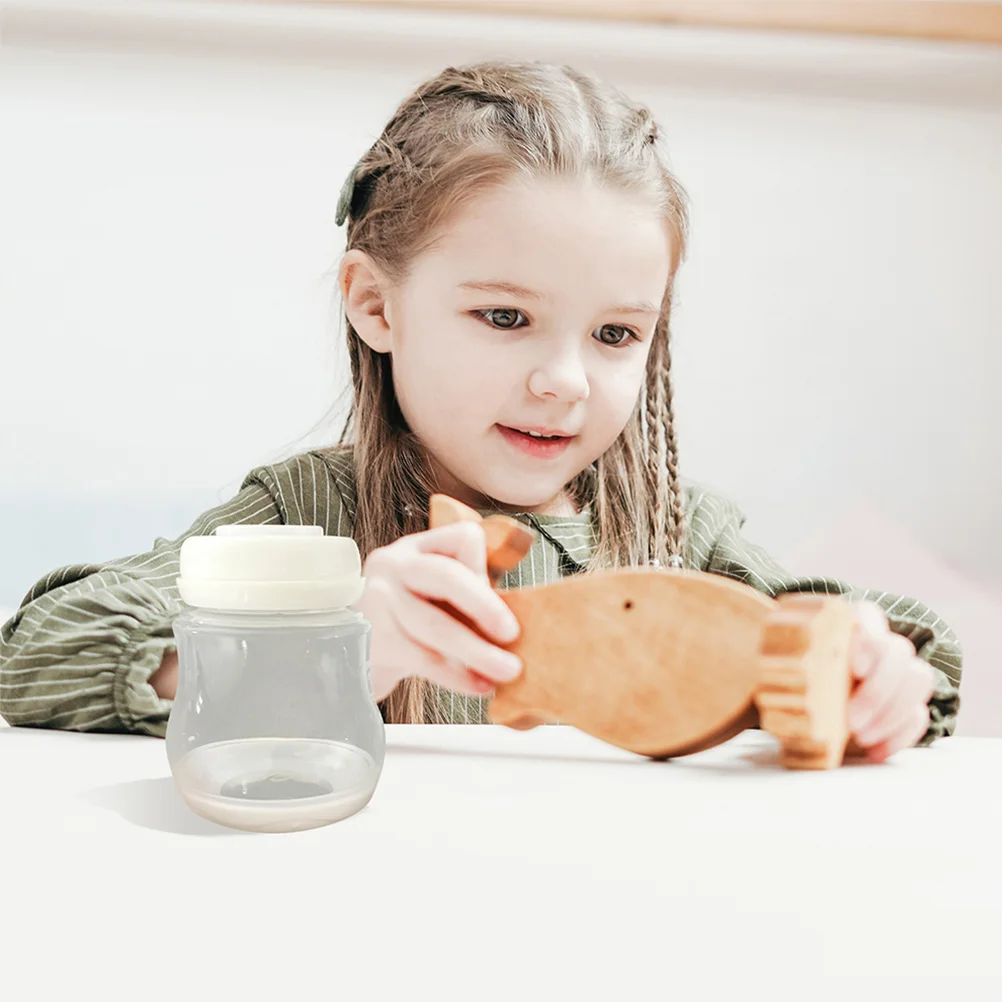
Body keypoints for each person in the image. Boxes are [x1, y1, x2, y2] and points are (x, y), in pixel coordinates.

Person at [0, 61, 960, 761]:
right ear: (377, 305)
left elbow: (893, 639)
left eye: (617, 335)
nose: (564, 381)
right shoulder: (307, 517)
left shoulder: (680, 536)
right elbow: (40, 649)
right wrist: (335, 648)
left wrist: (884, 677)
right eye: (506, 317)